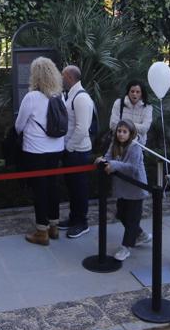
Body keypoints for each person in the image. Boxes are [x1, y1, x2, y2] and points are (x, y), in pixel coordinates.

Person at [15, 56, 67, 245]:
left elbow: (19, 125)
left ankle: (41, 230)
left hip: (35, 150)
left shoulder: (31, 97)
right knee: (53, 187)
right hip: (56, 149)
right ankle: (54, 226)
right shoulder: (59, 95)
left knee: (40, 190)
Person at [98, 121, 149, 261]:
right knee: (121, 214)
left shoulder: (135, 147)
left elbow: (132, 168)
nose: (121, 134)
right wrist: (102, 161)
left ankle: (126, 247)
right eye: (119, 131)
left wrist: (113, 165)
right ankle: (141, 234)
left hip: (136, 189)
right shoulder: (114, 143)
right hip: (122, 188)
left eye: (124, 131)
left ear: (131, 133)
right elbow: (108, 157)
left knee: (132, 219)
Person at [57, 64, 96, 238]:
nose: (61, 79)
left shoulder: (81, 98)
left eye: (62, 76)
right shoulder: (71, 95)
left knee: (79, 188)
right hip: (72, 150)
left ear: (70, 78)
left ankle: (82, 222)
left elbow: (82, 128)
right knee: (72, 188)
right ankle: (74, 218)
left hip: (78, 151)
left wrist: (68, 147)